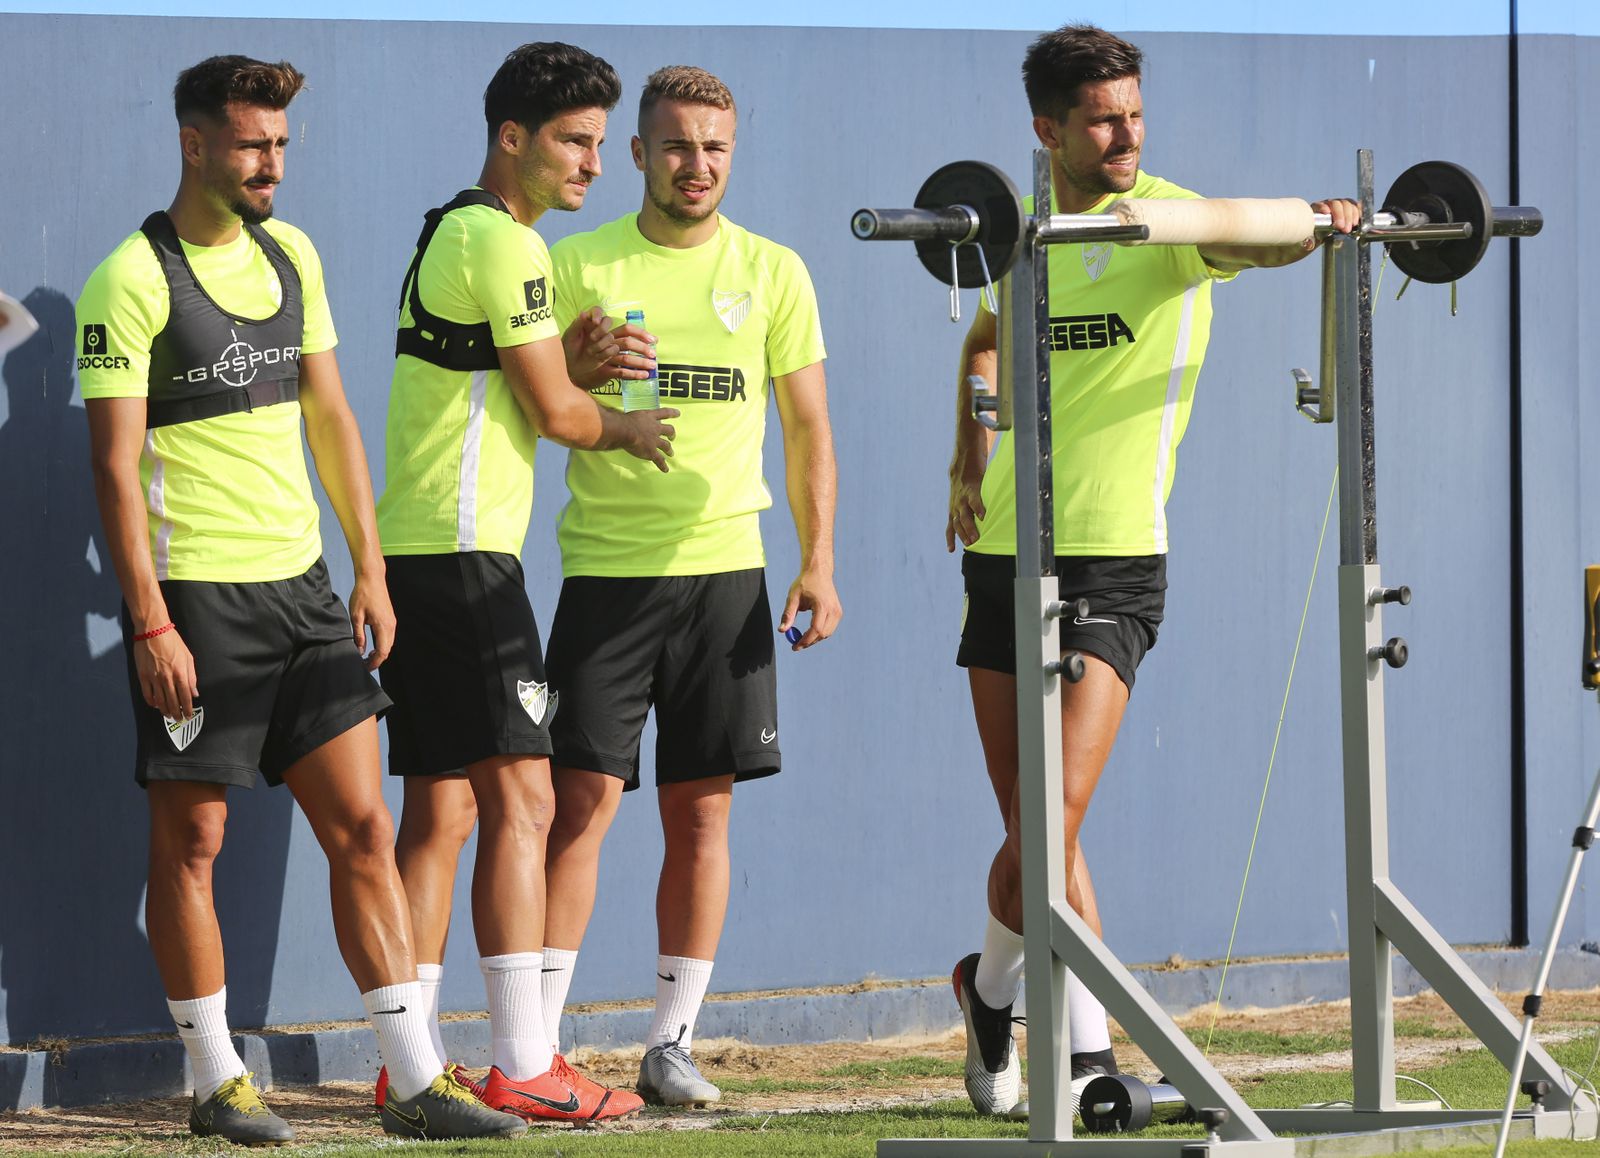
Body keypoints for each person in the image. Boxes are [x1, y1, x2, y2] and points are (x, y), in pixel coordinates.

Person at [78, 55, 526, 1143]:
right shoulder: (129, 280)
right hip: (198, 602)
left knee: (367, 830)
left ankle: (416, 1085)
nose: (271, 162)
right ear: (194, 145)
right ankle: (215, 1078)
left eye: (280, 143)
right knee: (194, 842)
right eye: (249, 144)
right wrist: (149, 619)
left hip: (307, 596)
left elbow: (330, 418)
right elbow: (114, 470)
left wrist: (367, 568)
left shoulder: (296, 256)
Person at [944, 24, 1360, 1117]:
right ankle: (1063, 1046)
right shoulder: (1023, 230)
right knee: (1040, 829)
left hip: (1115, 560)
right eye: (1101, 118)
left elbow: (1256, 242)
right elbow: (983, 336)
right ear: (1047, 131)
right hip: (1001, 556)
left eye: (1133, 111)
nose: (1125, 133)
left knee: (1050, 825)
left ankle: (1002, 1003)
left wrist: (1316, 223)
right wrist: (966, 452)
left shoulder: (1167, 219)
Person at [373, 42, 675, 1123]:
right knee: (524, 797)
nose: (595, 163)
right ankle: (524, 1063)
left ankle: (406, 1061)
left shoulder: (460, 230)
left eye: (600, 142)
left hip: (427, 552)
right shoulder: (502, 242)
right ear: (513, 138)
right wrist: (625, 425)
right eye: (575, 141)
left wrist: (577, 369)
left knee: (445, 809)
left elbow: (518, 390)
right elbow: (552, 415)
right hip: (461, 559)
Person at [539, 63, 840, 1108]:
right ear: (637, 155)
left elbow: (807, 428)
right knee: (575, 807)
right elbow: (535, 408)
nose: (696, 164)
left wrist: (819, 560)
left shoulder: (774, 272)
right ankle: (535, 1046)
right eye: (675, 146)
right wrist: (574, 370)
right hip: (608, 574)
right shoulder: (575, 263)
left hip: (728, 579)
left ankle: (669, 1044)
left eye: (713, 147)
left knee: (702, 815)